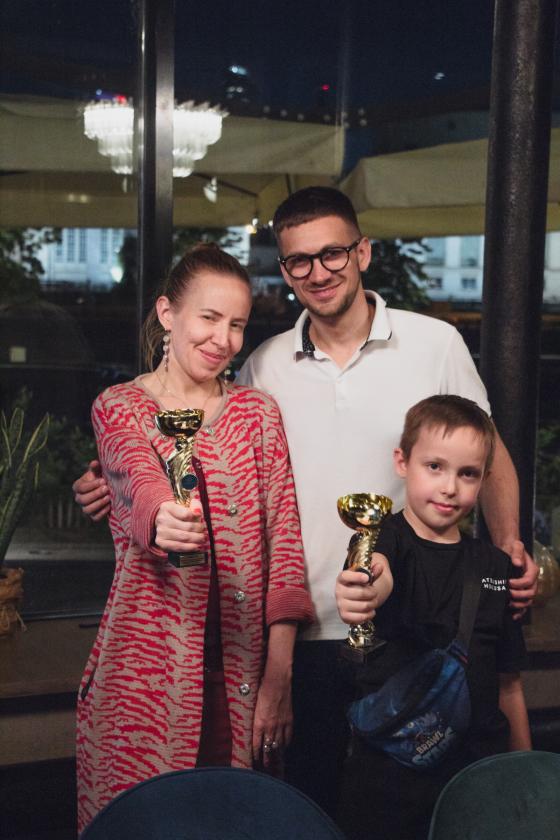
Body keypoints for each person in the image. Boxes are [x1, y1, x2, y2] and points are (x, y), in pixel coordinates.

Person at [74, 187, 537, 818]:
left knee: (404, 806)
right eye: (299, 260)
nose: (318, 272)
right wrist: (119, 488)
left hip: (403, 622)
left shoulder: (436, 343)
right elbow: (176, 460)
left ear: (362, 253)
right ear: (286, 271)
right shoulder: (265, 367)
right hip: (304, 633)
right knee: (304, 807)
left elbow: (489, 451)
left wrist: (507, 550)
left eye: (332, 254)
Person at [75, 243, 314, 832]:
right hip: (139, 679)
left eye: (237, 324)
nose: (223, 339)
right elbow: (137, 474)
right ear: (167, 314)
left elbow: (284, 545)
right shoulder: (119, 406)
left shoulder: (258, 414)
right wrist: (163, 518)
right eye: (209, 318)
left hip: (240, 680)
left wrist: (278, 677)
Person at [335, 395, 531, 840]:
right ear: (402, 462)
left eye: (467, 474)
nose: (449, 488)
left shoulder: (494, 565)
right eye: (435, 467)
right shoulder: (382, 537)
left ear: (484, 480)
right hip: (389, 782)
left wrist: (524, 775)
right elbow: (375, 572)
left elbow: (509, 684)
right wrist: (363, 591)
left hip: (478, 777)